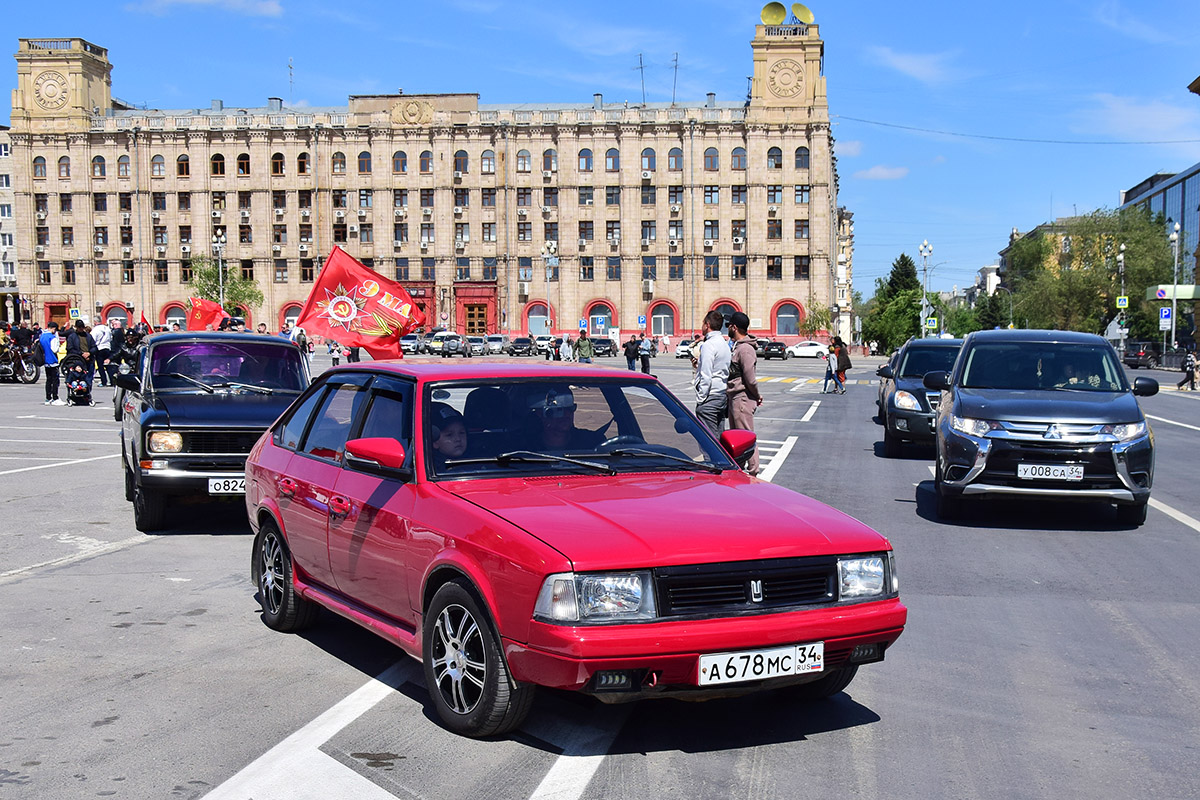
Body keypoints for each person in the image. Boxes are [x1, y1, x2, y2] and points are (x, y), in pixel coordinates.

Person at [726, 312, 762, 474]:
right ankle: (740, 470)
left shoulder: (745, 349)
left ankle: (753, 471)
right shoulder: (738, 347)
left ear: (734, 327)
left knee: (746, 436)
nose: (726, 328)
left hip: (743, 398)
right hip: (736, 397)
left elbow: (750, 378)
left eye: (729, 325)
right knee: (737, 437)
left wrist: (757, 394)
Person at [692, 310, 731, 434]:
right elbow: (719, 366)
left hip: (710, 396)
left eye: (703, 323)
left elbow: (706, 375)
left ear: (707, 325)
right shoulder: (724, 343)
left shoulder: (709, 345)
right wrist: (699, 365)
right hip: (721, 394)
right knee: (718, 438)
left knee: (709, 443)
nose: (702, 326)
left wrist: (701, 399)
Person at [528, 387, 603, 451]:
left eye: (570, 408)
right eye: (558, 409)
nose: (567, 414)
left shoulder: (593, 442)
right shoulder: (523, 448)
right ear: (540, 414)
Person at [66, 320, 98, 403]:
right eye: (79, 327)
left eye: (82, 327)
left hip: (89, 360)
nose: (81, 329)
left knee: (88, 379)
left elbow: (94, 347)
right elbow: (70, 349)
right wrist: (81, 354)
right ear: (76, 327)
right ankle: (76, 396)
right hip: (78, 361)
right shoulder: (72, 337)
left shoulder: (88, 336)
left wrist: (89, 353)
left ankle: (87, 395)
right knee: (76, 379)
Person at [429, 403, 468, 467]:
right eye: (449, 435)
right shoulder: (434, 467)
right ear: (435, 442)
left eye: (462, 433)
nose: (458, 439)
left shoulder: (477, 460)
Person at [40, 322, 64, 405]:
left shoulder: (42, 336)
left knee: (48, 380)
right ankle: (55, 397)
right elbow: (54, 349)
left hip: (45, 361)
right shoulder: (52, 337)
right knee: (55, 380)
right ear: (53, 328)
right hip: (52, 360)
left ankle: (48, 398)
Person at [91, 317, 112, 387]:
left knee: (100, 366)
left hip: (99, 348)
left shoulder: (95, 330)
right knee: (108, 365)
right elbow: (111, 338)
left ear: (95, 322)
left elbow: (93, 339)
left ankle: (104, 381)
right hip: (107, 347)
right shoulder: (107, 328)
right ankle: (111, 380)